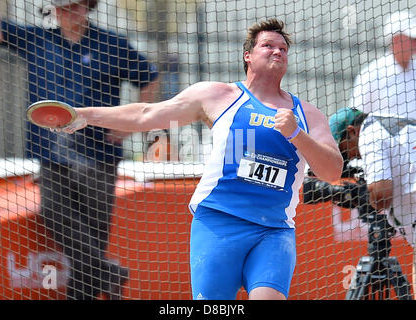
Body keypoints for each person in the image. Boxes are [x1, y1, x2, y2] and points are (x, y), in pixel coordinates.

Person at [54, 18, 343, 300]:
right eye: (268, 45)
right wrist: (86, 115)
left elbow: (332, 171)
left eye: (283, 48)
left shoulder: (306, 114)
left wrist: (296, 134)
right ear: (248, 56)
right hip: (219, 223)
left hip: (274, 231)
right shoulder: (219, 95)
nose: (277, 51)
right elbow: (147, 114)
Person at [0, 0, 159, 300]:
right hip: (51, 154)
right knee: (53, 215)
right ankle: (110, 273)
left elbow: (150, 79)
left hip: (98, 156)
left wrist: (132, 126)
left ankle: (89, 289)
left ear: (88, 7)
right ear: (54, 10)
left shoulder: (112, 44)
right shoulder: (37, 38)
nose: (69, 12)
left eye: (76, 6)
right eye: (63, 7)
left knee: (93, 236)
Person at [329, 107, 416, 298]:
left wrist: (364, 196)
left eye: (344, 150)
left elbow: (382, 196)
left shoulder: (370, 132)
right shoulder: (397, 123)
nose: (350, 158)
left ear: (352, 131)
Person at [350, 11, 416, 119]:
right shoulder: (371, 75)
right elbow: (356, 117)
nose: (415, 42)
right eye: (411, 38)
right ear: (396, 39)